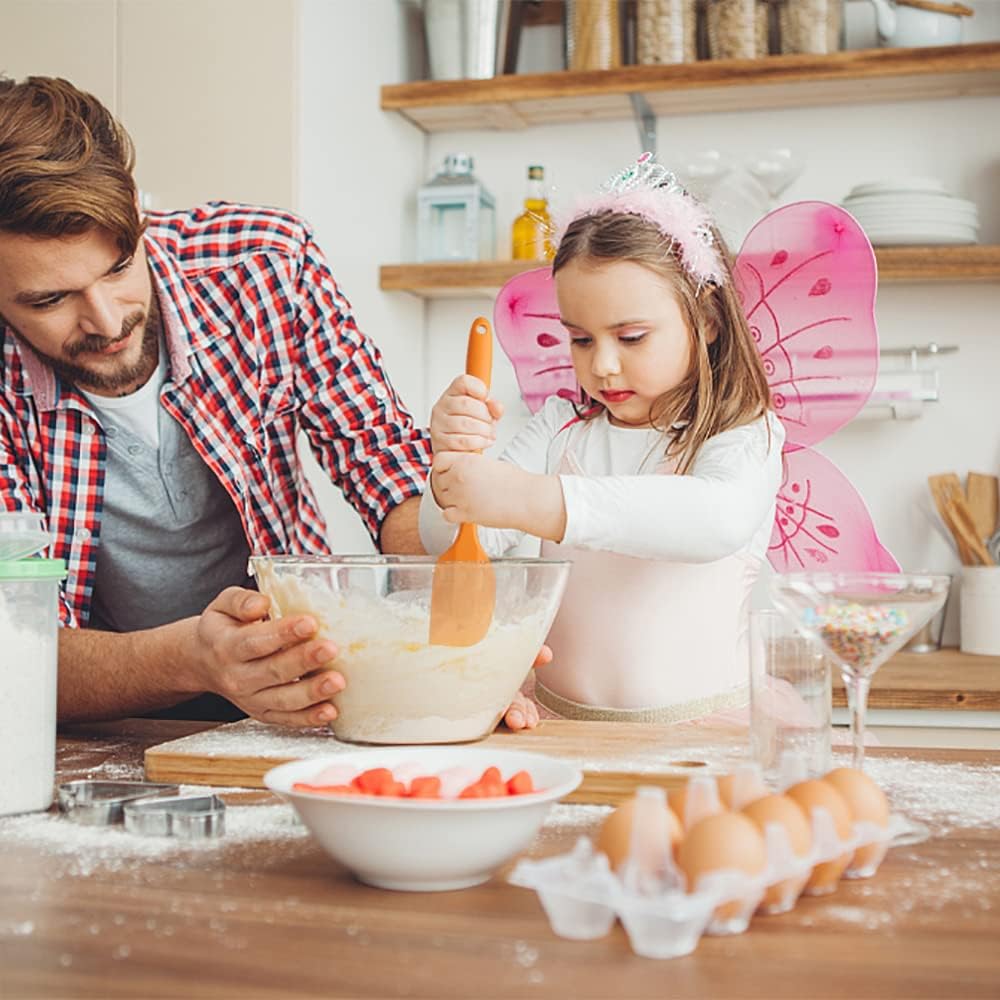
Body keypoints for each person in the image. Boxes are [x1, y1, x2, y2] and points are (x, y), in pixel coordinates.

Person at [0, 74, 542, 730]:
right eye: (50, 300)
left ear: (138, 213)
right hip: (98, 716)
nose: (108, 320)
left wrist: (465, 641)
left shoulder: (267, 264)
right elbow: (16, 653)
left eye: (118, 268)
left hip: (302, 679)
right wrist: (194, 661)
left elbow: (385, 468)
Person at [420, 154, 785, 723]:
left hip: (709, 734)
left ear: (709, 320)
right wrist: (452, 466)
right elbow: (446, 540)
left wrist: (533, 499)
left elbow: (715, 521)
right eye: (582, 340)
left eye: (631, 337)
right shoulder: (559, 429)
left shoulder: (742, 432)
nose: (603, 365)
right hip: (564, 727)